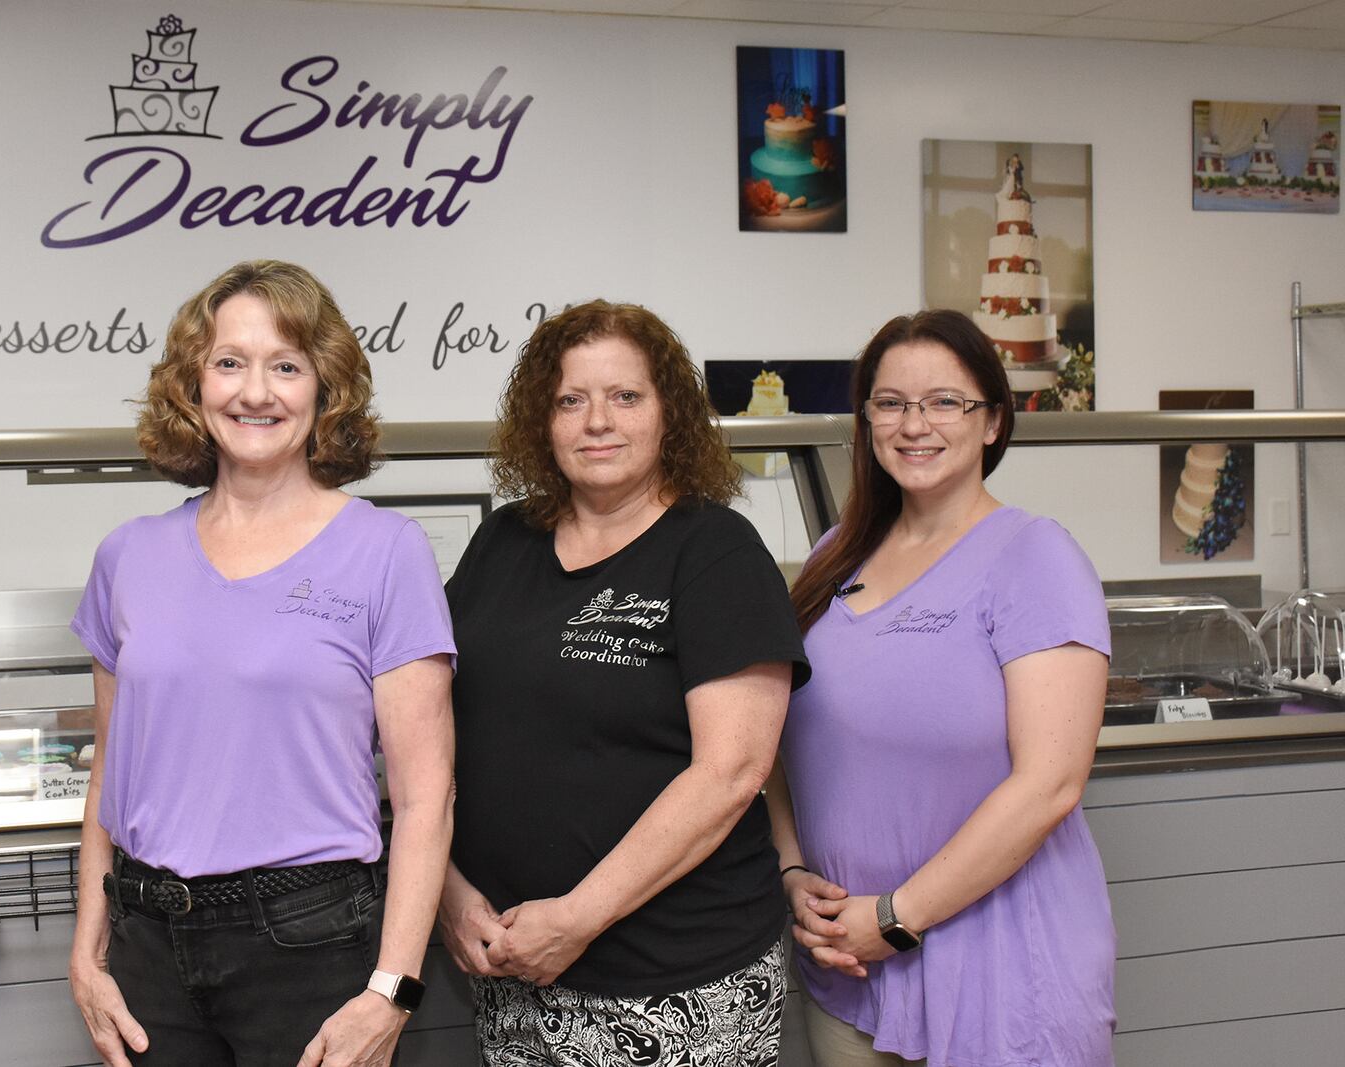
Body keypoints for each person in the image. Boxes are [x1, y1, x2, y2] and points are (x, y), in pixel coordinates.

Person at [67, 260, 456, 1067]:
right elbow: (110, 767)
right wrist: (86, 947)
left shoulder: (387, 553)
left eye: (286, 365)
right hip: (146, 939)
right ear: (192, 385)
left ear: (325, 388)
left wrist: (392, 989)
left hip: (311, 943)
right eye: (229, 362)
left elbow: (425, 798)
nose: (256, 392)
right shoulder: (126, 556)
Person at [439, 300, 810, 1066]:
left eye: (625, 396)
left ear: (669, 413)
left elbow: (732, 771)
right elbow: (432, 735)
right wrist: (446, 889)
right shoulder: (502, 541)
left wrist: (577, 918)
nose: (596, 420)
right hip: (513, 968)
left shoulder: (715, 552)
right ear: (542, 422)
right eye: (570, 399)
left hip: (676, 984)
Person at [767, 309, 1114, 1066]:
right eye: (890, 402)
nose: (913, 423)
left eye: (945, 401)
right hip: (849, 970)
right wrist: (793, 869)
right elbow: (773, 737)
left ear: (992, 421)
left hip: (1001, 965)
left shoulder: (1036, 557)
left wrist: (894, 918)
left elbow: (1049, 783)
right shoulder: (835, 554)